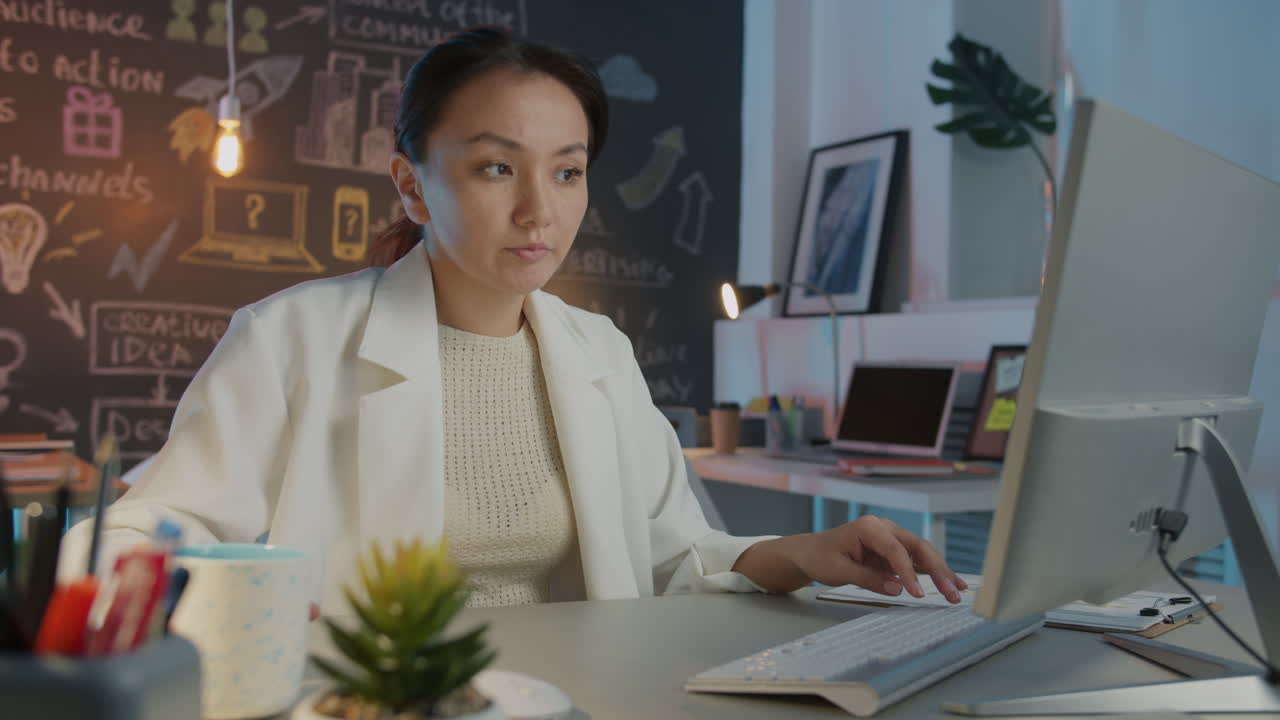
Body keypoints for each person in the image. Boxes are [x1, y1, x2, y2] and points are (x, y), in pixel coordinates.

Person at [60, 28, 966, 613]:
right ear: (412, 184)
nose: (541, 208)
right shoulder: (289, 339)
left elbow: (675, 559)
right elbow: (136, 538)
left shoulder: (598, 350)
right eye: (497, 168)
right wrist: (244, 605)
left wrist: (802, 552)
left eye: (567, 171)